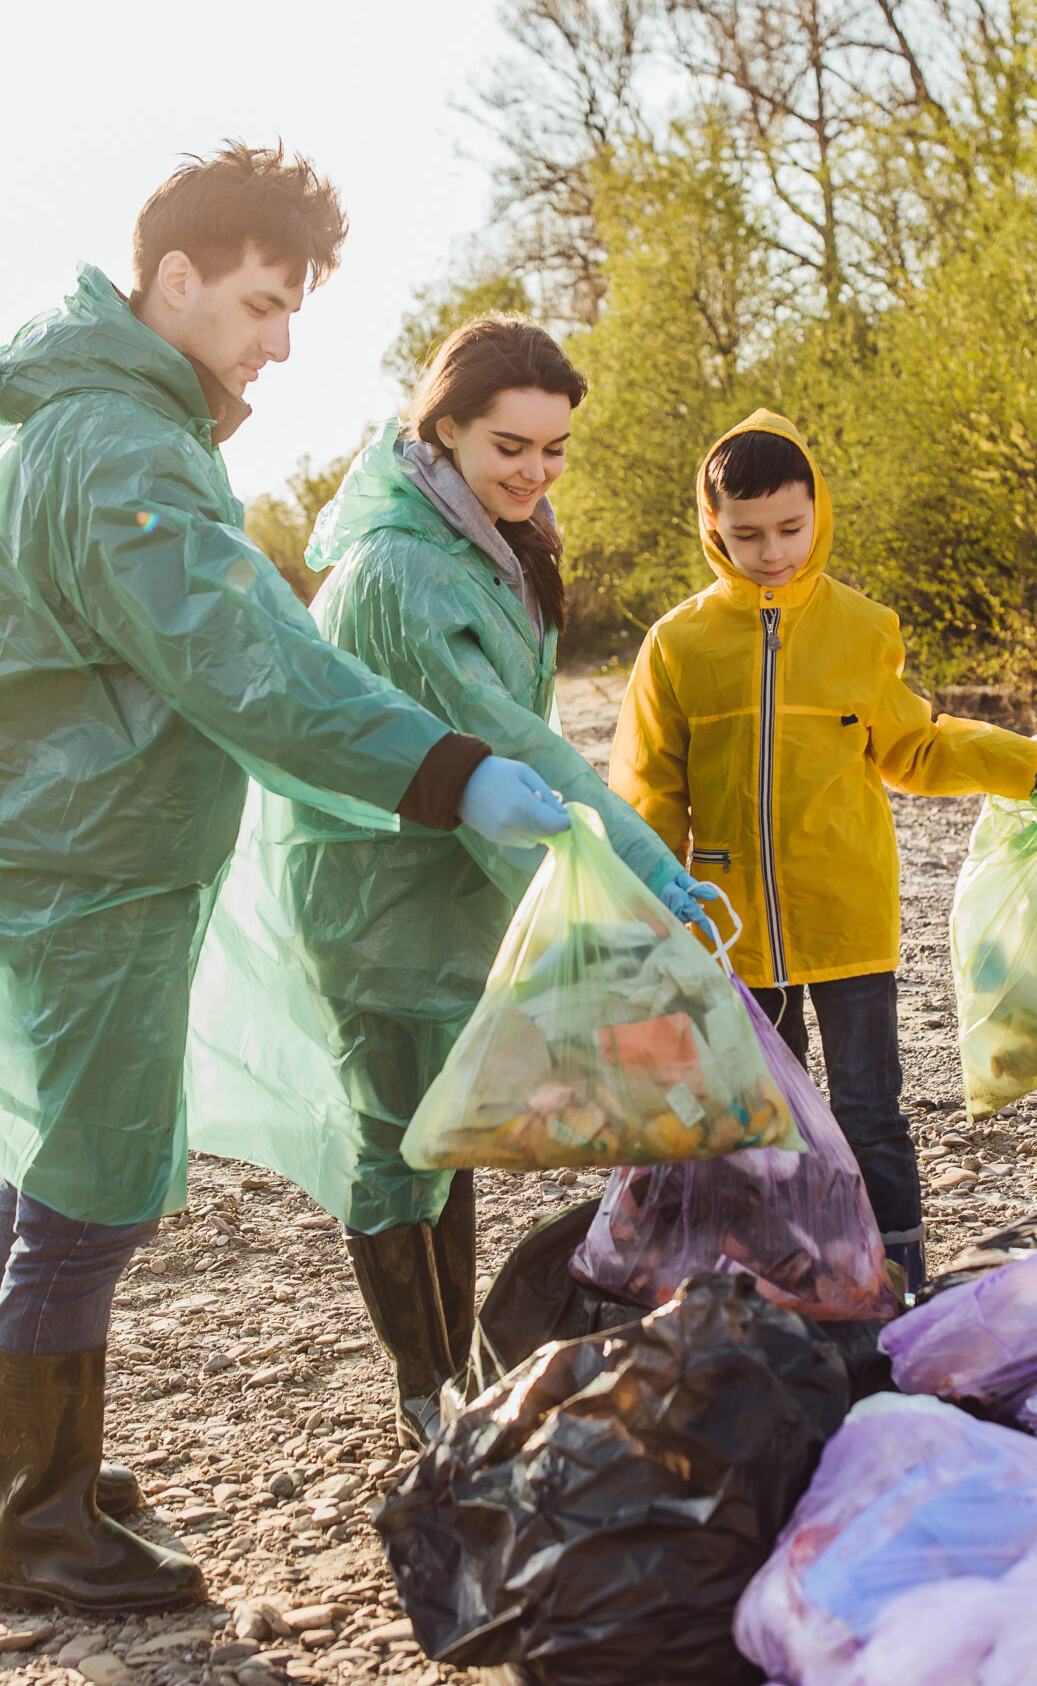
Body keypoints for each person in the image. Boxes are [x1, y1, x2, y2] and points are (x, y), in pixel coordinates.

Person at [0, 143, 575, 1613]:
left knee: (45, 1155)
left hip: (66, 856)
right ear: (172, 278)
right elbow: (249, 661)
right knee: (93, 1187)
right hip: (86, 876)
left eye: (294, 307)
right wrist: (451, 770)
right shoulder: (121, 445)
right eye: (260, 301)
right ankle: (44, 1527)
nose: (281, 340)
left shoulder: (103, 421)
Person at [187, 315, 717, 1445]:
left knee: (451, 1126)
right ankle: (425, 1389)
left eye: (554, 447)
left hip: (451, 873)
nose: (534, 470)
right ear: (443, 432)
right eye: (508, 446)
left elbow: (513, 734)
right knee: (397, 1140)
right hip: (371, 887)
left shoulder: (486, 534)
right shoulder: (403, 571)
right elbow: (507, 739)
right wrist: (643, 865)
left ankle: (456, 1376)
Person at [610, 411, 1037, 1293]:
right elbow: (647, 791)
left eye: (791, 528)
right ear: (711, 526)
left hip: (849, 925)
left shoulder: (862, 627)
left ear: (817, 512)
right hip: (730, 934)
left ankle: (896, 1280)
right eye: (746, 534)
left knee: (870, 1113)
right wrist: (647, 899)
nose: (773, 550)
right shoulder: (676, 645)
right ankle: (787, 1283)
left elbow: (918, 746)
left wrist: (1025, 765)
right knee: (759, 1124)